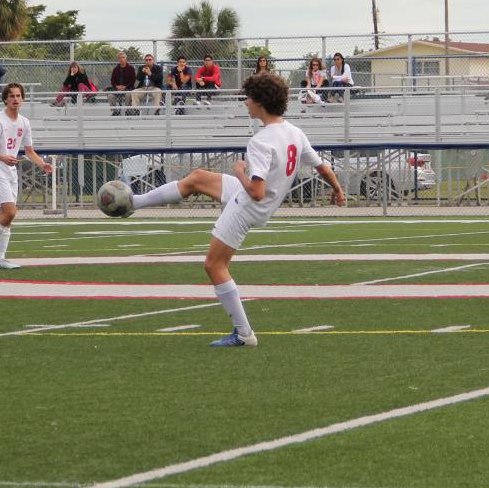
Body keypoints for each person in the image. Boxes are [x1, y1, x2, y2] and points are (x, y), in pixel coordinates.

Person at [125, 72, 346, 347]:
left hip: (249, 205)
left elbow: (255, 190)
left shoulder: (262, 140)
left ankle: (244, 333)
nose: (245, 103)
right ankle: (134, 203)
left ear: (260, 102)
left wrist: (240, 171)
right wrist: (337, 188)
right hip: (258, 201)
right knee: (197, 178)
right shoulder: (294, 132)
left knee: (214, 265)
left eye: (248, 98)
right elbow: (321, 166)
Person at [0, 82, 54, 270]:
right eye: (11, 96)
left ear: (23, 99)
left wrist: (42, 163)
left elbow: (29, 151)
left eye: (18, 96)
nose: (15, 99)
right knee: (11, 211)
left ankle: (1, 256)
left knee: (6, 216)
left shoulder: (24, 122)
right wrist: (3, 157)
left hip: (10, 172)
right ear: (5, 99)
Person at [108, 51, 137, 115]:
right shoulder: (115, 69)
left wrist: (125, 87)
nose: (121, 59)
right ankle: (115, 111)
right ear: (118, 59)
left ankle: (128, 110)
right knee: (110, 95)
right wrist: (116, 86)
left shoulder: (131, 68)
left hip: (128, 88)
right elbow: (112, 80)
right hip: (117, 89)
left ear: (126, 58)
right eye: (120, 58)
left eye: (123, 57)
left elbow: (133, 80)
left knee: (128, 95)